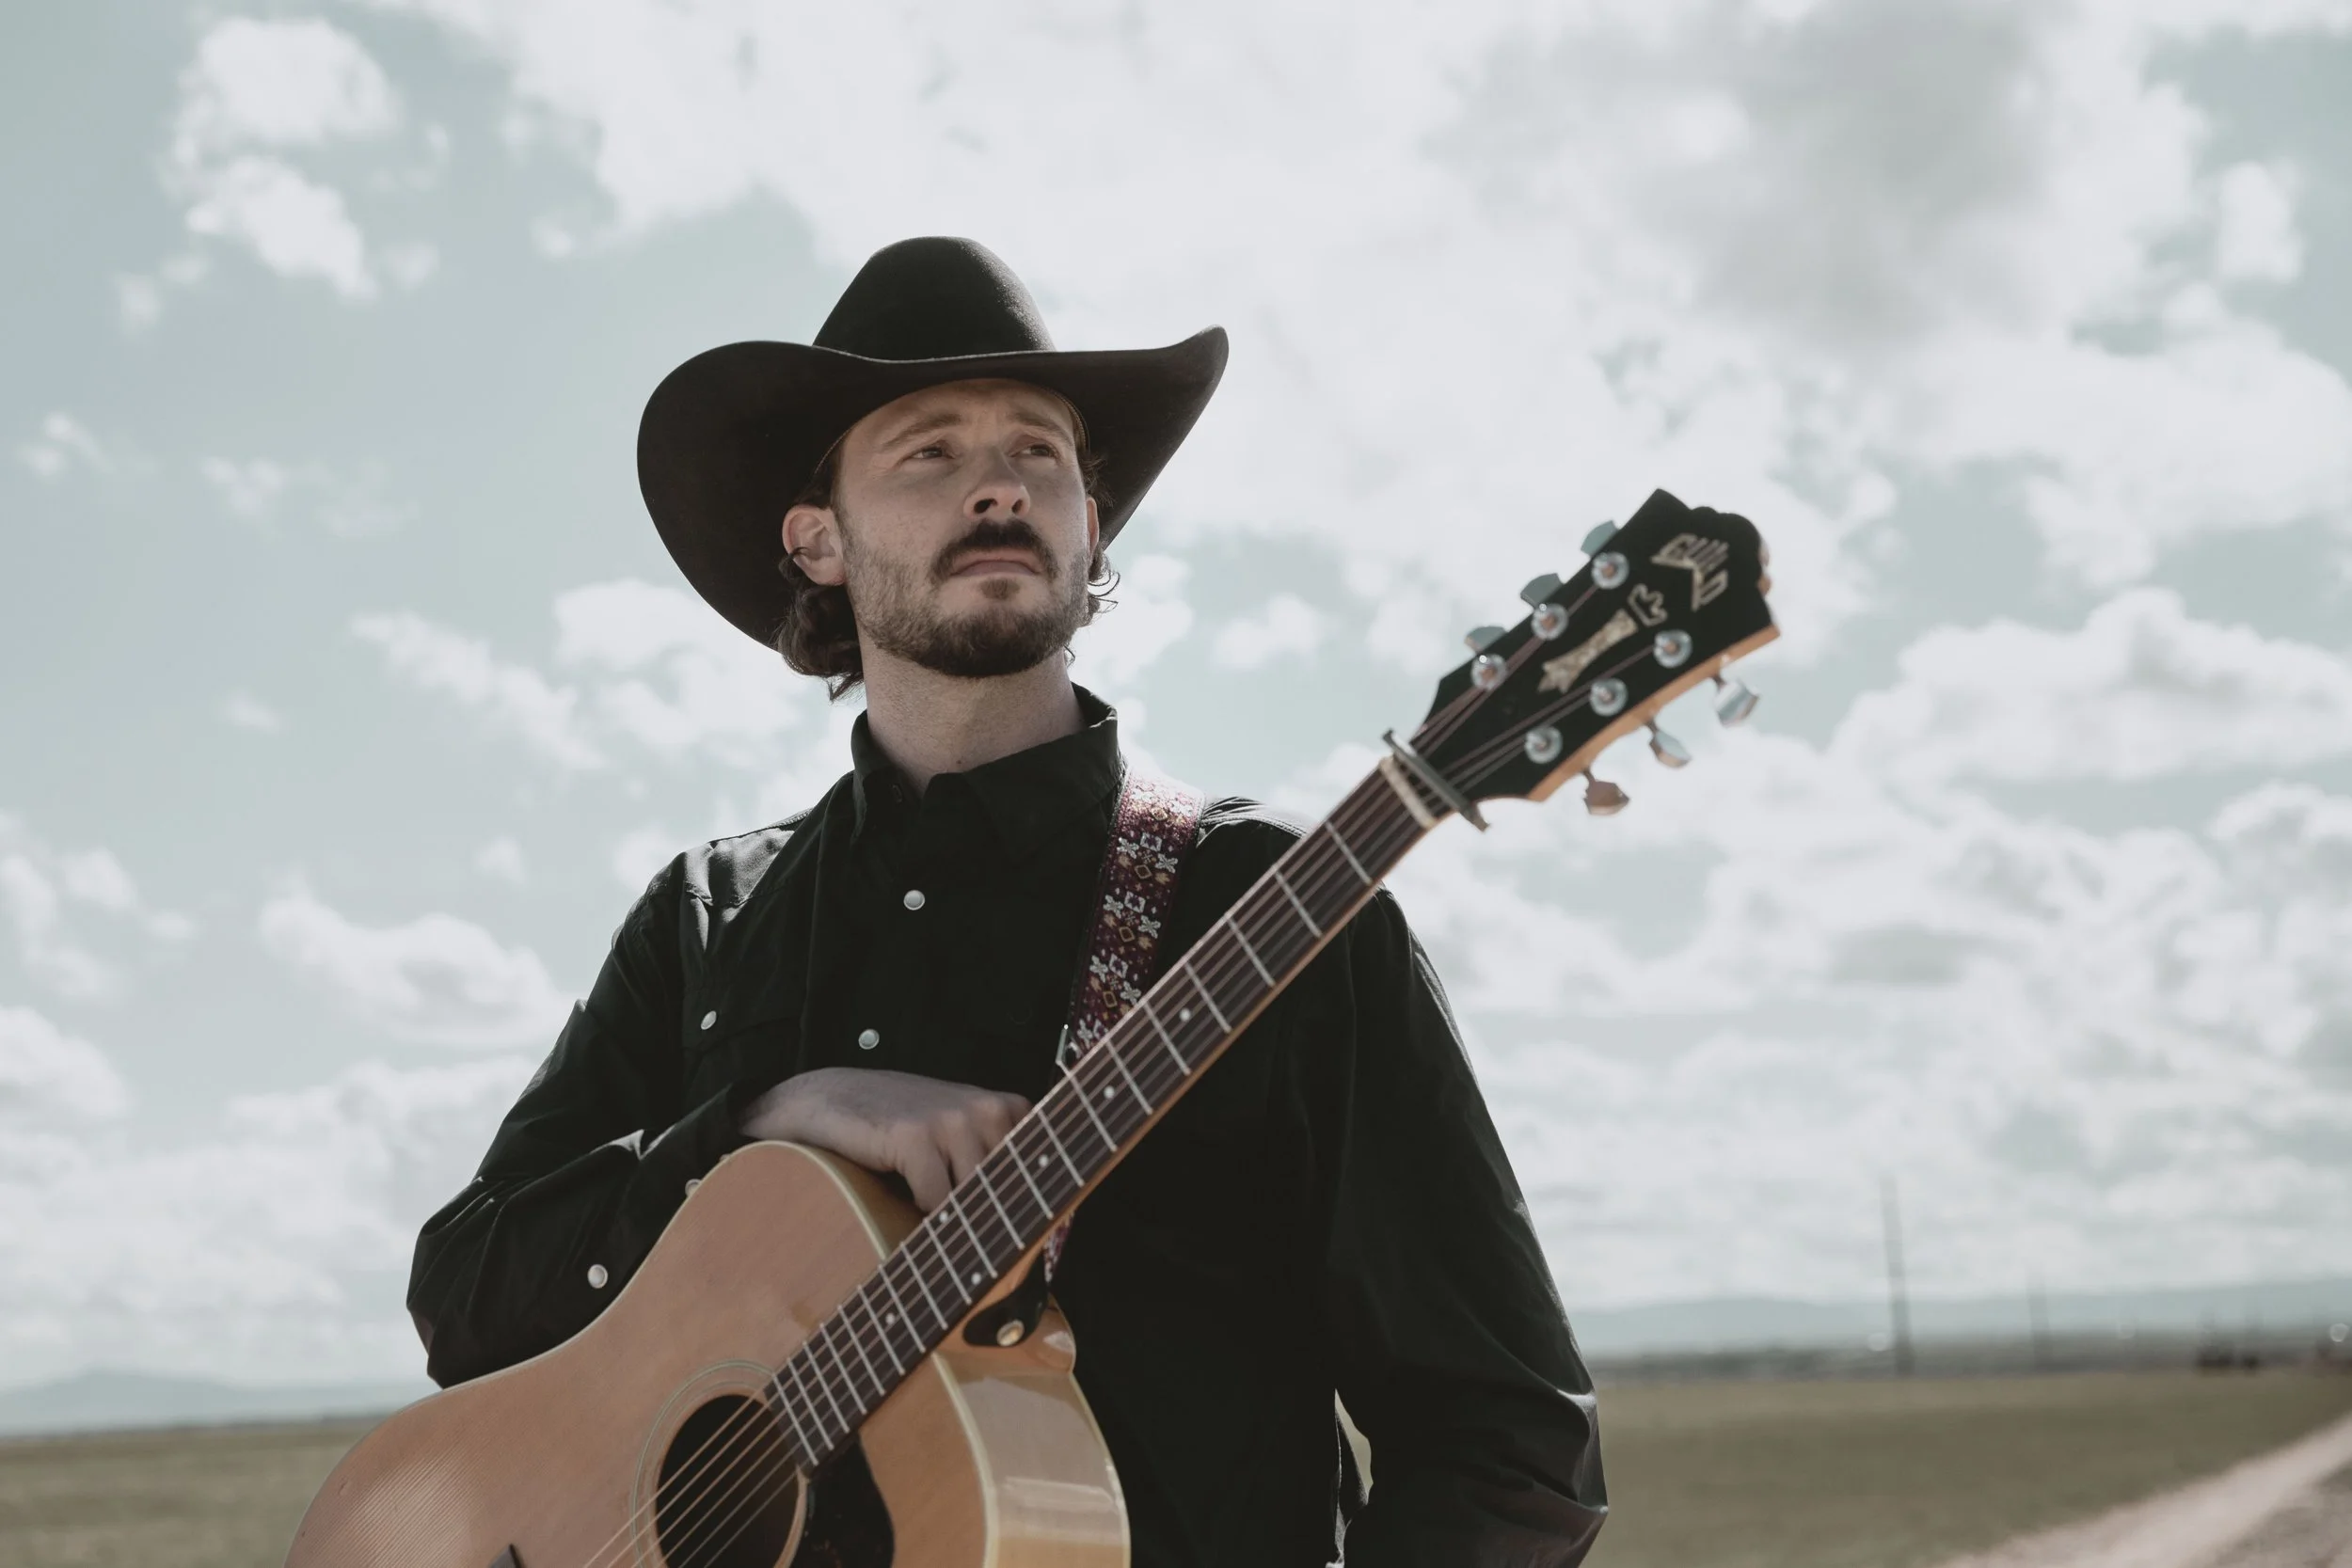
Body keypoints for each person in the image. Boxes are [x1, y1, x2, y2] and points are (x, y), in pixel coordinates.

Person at [405, 237, 1607, 1566]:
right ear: (816, 539)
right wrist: (760, 1120)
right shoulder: (708, 916)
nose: (998, 484)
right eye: (929, 451)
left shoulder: (1266, 906)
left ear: (1092, 528)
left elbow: (1510, 1452)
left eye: (1041, 454)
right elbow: (468, 1293)